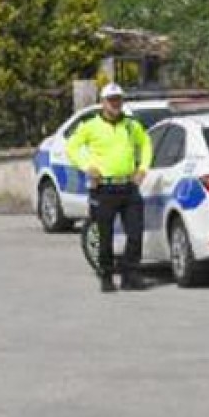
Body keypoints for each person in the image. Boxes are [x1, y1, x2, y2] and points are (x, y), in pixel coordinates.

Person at [66, 83, 154, 293]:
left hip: (128, 186)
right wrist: (87, 166)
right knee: (104, 235)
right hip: (103, 189)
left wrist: (142, 168)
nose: (115, 104)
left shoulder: (132, 125)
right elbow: (72, 147)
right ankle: (106, 275)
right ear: (103, 103)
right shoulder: (90, 126)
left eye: (118, 100)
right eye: (111, 100)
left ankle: (130, 274)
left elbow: (146, 143)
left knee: (135, 233)